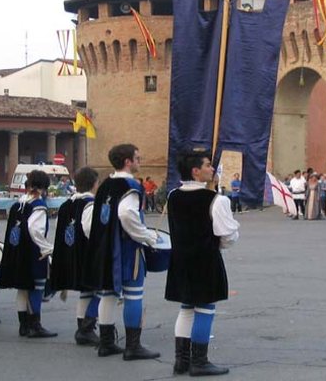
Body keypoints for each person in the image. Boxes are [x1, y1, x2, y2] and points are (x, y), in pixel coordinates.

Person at [83, 143, 160, 359]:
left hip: (105, 247)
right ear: (128, 161)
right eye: (137, 157)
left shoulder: (104, 184)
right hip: (126, 249)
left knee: (108, 293)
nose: (139, 161)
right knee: (133, 295)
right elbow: (126, 215)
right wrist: (146, 236)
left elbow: (92, 221)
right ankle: (133, 347)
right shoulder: (131, 186)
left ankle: (106, 343)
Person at [166, 150, 239, 376]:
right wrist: (222, 243)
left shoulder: (173, 196)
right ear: (196, 171)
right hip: (205, 259)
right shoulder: (216, 200)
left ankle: (181, 360)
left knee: (187, 308)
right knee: (205, 308)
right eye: (208, 165)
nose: (212, 169)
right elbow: (227, 235)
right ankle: (199, 361)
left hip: (180, 259)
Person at [0, 170, 57, 338]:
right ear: (44, 187)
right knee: (36, 288)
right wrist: (47, 248)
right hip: (32, 252)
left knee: (23, 289)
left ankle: (23, 325)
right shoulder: (38, 205)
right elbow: (35, 230)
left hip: (17, 250)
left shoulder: (18, 204)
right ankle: (35, 325)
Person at [51, 166, 101, 346]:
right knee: (102, 290)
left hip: (70, 252)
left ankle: (82, 328)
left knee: (86, 291)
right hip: (87, 254)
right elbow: (91, 230)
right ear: (94, 183)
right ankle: (87, 327)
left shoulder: (66, 204)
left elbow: (61, 228)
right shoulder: (91, 204)